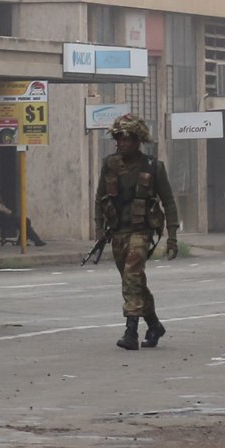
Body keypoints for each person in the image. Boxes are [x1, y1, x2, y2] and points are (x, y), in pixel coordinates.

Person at [94, 113, 179, 351]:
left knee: (132, 275)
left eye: (129, 139)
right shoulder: (109, 164)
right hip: (117, 232)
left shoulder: (153, 167)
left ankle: (131, 331)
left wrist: (172, 237)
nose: (123, 143)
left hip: (141, 232)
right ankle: (154, 324)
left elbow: (169, 202)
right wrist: (99, 227)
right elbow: (99, 198)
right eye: (120, 138)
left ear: (138, 141)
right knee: (134, 281)